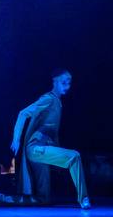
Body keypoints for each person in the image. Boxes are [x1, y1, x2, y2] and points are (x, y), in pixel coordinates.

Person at [11, 68, 89, 208]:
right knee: (74, 156)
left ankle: (0, 198)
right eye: (64, 83)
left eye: (69, 83)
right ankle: (83, 198)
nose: (67, 86)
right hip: (36, 149)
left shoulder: (57, 102)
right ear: (55, 82)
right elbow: (23, 113)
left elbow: (52, 134)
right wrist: (16, 140)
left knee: (43, 199)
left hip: (42, 150)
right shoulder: (49, 98)